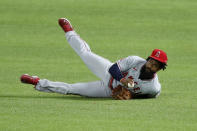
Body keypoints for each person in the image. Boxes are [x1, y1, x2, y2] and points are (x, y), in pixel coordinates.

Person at [20, 18, 168, 100]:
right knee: (85, 54)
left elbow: (147, 95)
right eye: (151, 61)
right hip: (108, 73)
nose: (150, 65)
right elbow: (113, 68)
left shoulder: (154, 88)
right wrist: (122, 81)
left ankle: (37, 82)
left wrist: (131, 96)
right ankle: (69, 31)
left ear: (159, 69)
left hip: (106, 90)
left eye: (155, 65)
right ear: (148, 59)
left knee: (72, 90)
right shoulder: (136, 60)